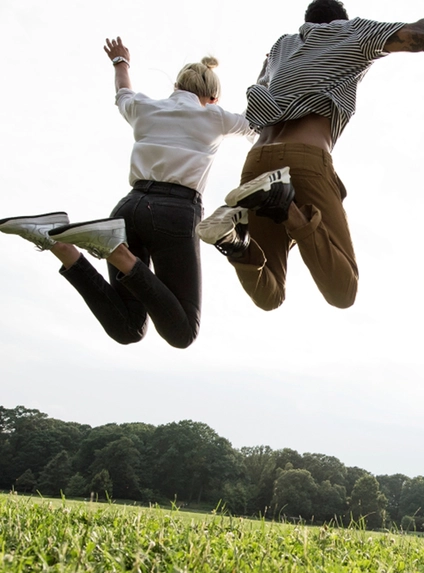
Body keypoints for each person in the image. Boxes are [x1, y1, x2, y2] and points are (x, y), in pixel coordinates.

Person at [196, 0, 424, 311]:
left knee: (270, 294)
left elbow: (259, 91)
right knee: (344, 290)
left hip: (257, 161)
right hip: (304, 158)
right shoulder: (353, 31)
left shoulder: (280, 48)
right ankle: (285, 206)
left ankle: (234, 241)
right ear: (340, 20)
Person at [0, 38, 252, 348]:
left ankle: (60, 245)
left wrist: (120, 61)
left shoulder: (146, 107)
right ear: (213, 98)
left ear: (175, 86)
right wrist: (268, 72)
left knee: (128, 328)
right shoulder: (214, 116)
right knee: (183, 332)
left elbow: (123, 92)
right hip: (174, 213)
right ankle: (117, 252)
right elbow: (256, 122)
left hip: (128, 209)